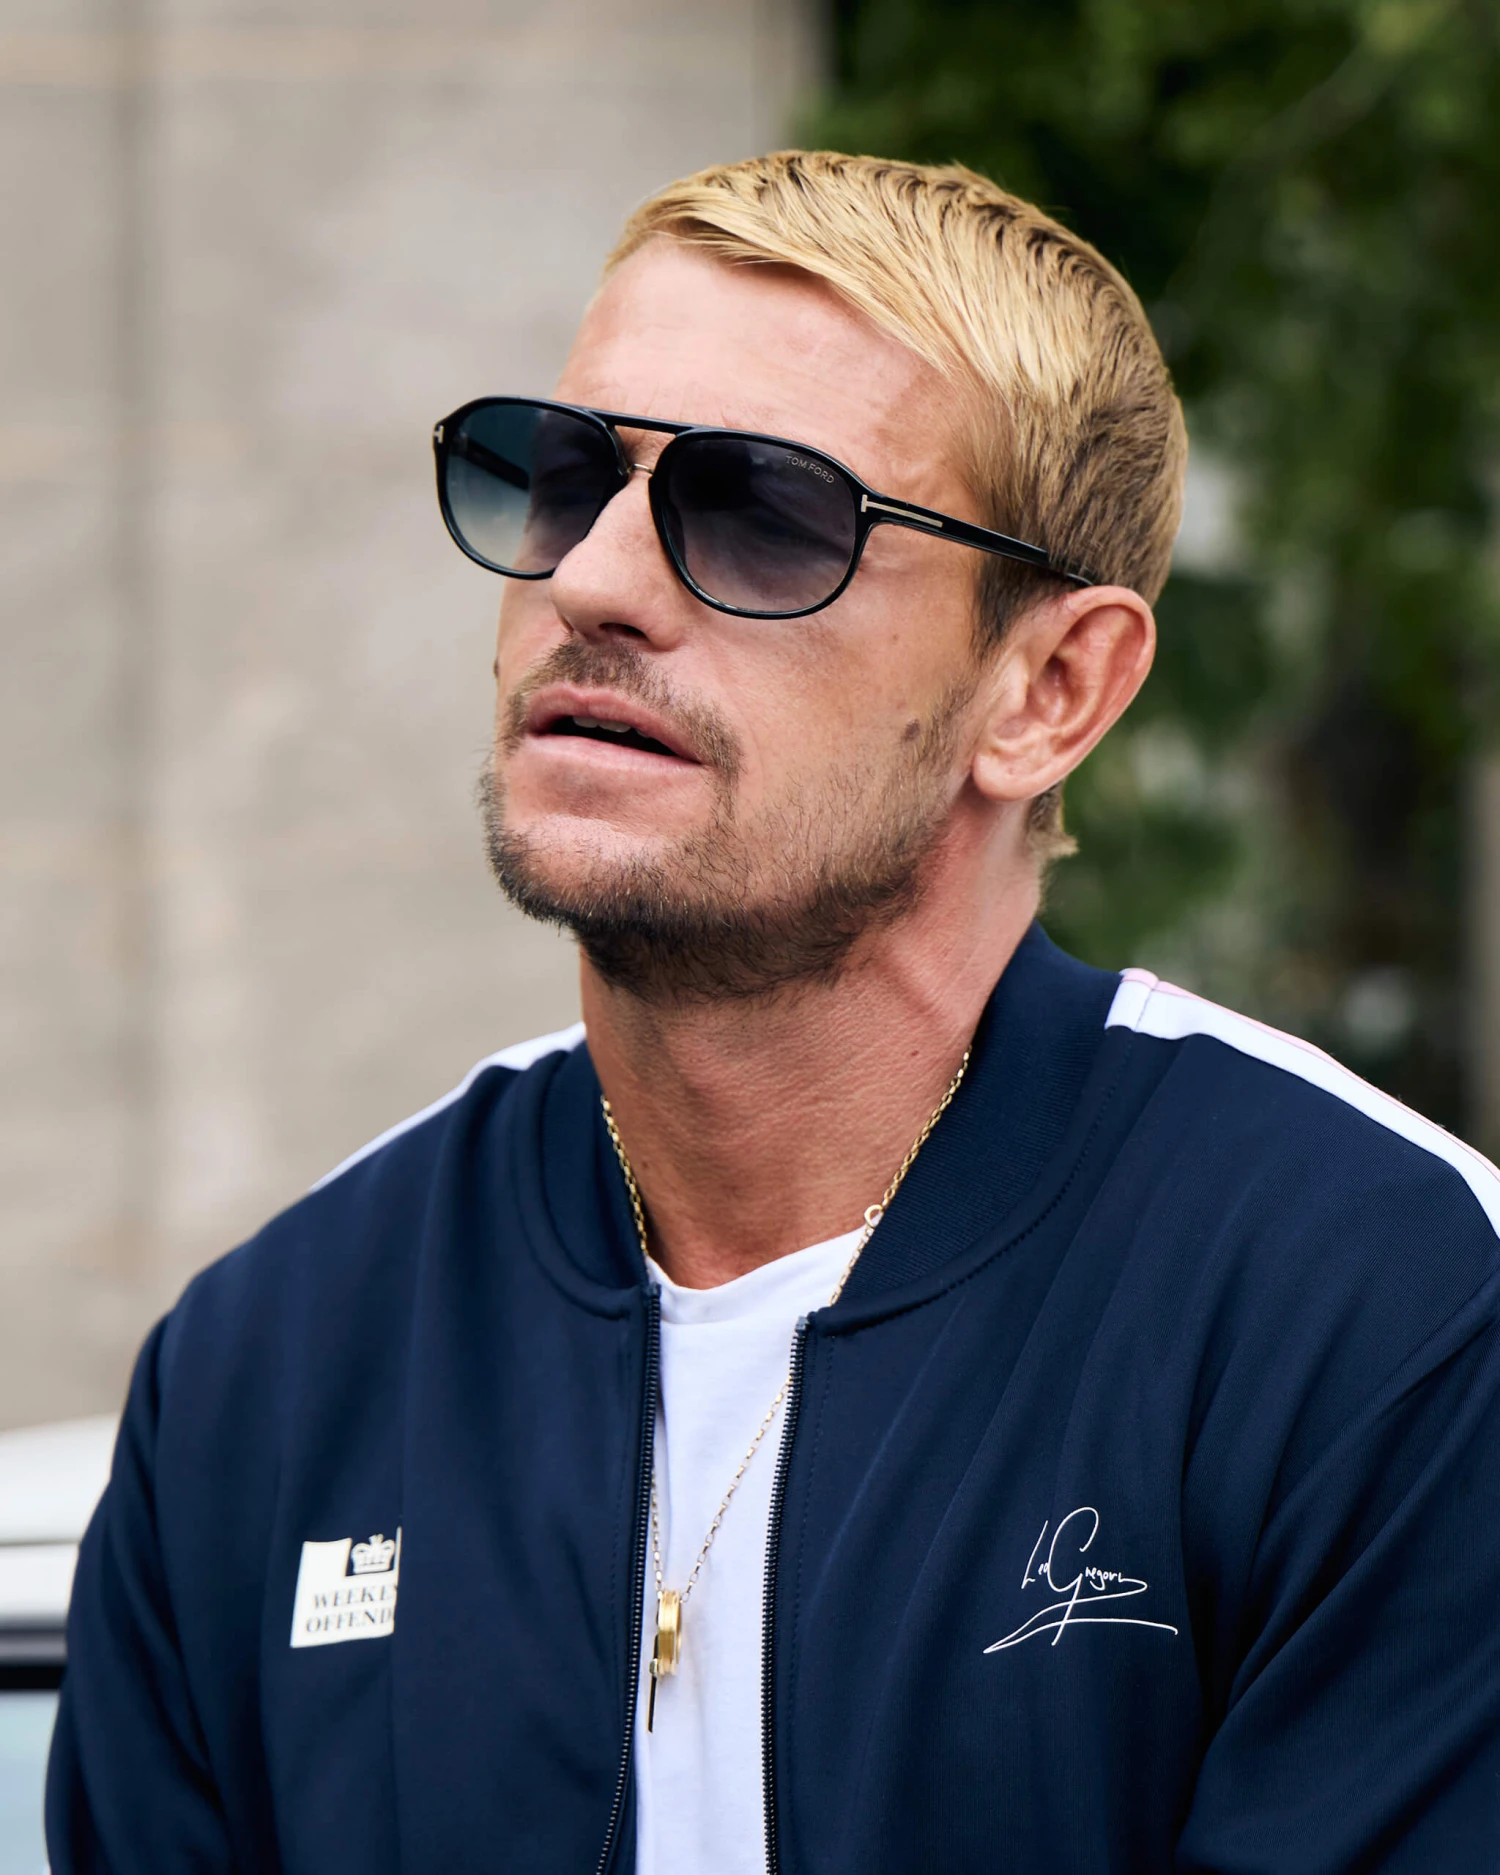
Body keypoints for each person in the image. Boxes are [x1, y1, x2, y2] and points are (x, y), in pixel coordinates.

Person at [47, 152, 1500, 1875]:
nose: (594, 580)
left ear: (1047, 690)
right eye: (564, 476)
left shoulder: (1377, 1310)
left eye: (763, 514)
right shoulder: (274, 1365)